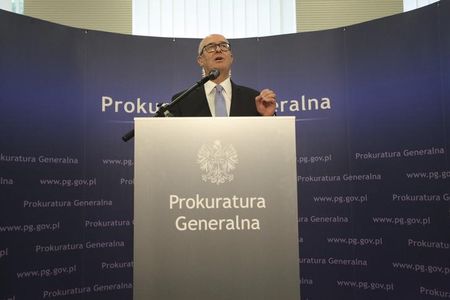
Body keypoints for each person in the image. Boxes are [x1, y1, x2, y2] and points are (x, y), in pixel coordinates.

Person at [170, 34, 277, 117]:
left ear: (231, 58)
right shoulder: (182, 101)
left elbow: (268, 139)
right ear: (200, 60)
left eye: (223, 46)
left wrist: (268, 117)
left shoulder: (253, 99)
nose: (218, 49)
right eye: (211, 47)